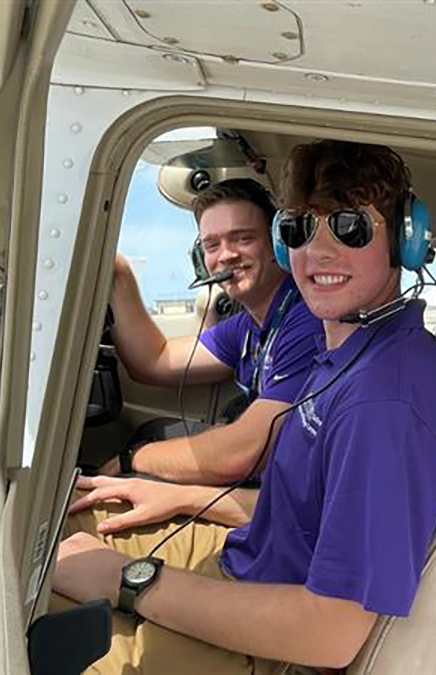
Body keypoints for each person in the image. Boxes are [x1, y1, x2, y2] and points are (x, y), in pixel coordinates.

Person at [52, 140, 436, 674]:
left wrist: (128, 580)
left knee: (39, 633)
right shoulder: (347, 349)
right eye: (299, 230)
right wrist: (174, 497)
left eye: (350, 227)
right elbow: (304, 512)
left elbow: (331, 632)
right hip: (249, 558)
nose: (319, 251)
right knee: (59, 529)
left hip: (271, 640)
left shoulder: (385, 397)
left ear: (404, 242)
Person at [98, 178, 322, 488]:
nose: (226, 256)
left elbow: (245, 454)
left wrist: (133, 458)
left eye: (242, 238)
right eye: (212, 245)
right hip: (269, 480)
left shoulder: (307, 319)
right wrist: (118, 273)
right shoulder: (248, 326)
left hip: (284, 496)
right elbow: (155, 360)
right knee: (153, 431)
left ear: (278, 243)